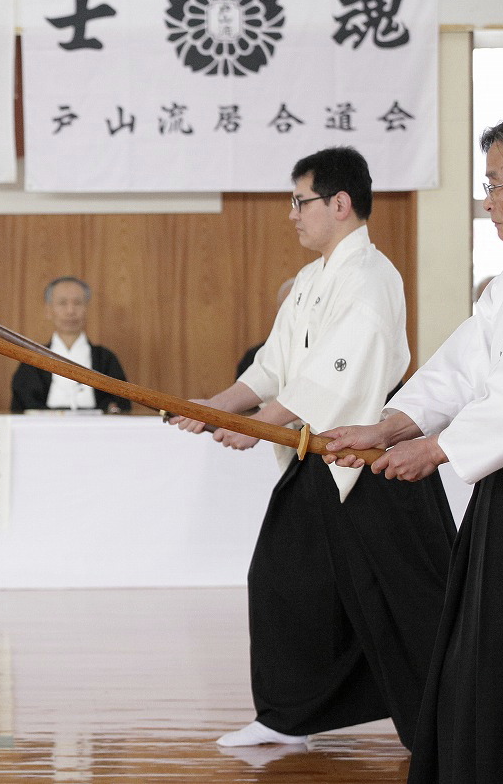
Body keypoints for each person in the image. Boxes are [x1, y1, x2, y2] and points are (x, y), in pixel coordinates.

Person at [171, 146, 456, 750]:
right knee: (284, 580)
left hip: (375, 460)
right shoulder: (309, 281)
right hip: (320, 457)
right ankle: (287, 715)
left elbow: (332, 375)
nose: (293, 214)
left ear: (340, 203)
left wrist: (260, 424)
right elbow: (273, 366)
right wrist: (215, 406)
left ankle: (455, 719)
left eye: (301, 202)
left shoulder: (372, 278)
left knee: (408, 597)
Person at [324, 112, 503, 783]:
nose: (487, 201)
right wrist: (390, 425)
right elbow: (463, 365)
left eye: (496, 184)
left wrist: (437, 449)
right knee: (487, 647)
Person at [10, 276, 131, 413]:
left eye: (77, 303)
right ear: (48, 310)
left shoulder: (105, 359)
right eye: (62, 303)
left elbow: (121, 404)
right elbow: (21, 408)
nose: (70, 311)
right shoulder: (32, 359)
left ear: (86, 309)